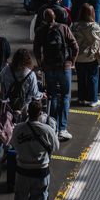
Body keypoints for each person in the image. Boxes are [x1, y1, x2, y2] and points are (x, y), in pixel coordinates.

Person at [10, 100, 59, 200]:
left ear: (28, 112)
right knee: (39, 199)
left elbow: (13, 144)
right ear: (40, 113)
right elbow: (55, 147)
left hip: (22, 169)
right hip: (40, 170)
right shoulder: (47, 130)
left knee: (20, 196)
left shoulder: (18, 128)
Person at [33, 7, 77, 139]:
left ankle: (53, 127)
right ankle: (62, 129)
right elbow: (75, 46)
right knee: (65, 96)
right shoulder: (63, 28)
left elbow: (36, 49)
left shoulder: (41, 31)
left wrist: (41, 64)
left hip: (49, 68)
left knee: (52, 96)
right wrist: (72, 61)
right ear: (54, 17)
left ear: (44, 19)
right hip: (64, 67)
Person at [70, 4, 100, 108]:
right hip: (90, 56)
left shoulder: (74, 26)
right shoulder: (94, 27)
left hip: (78, 57)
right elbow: (99, 38)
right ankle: (93, 99)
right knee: (92, 78)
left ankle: (81, 98)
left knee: (81, 78)